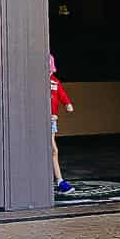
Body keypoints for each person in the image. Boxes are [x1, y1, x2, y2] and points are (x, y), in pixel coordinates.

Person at [50, 54, 75, 195]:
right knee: (51, 149)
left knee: (53, 150)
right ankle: (59, 180)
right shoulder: (36, 82)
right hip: (40, 119)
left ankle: (59, 180)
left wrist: (67, 103)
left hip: (51, 120)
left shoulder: (55, 82)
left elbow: (61, 94)